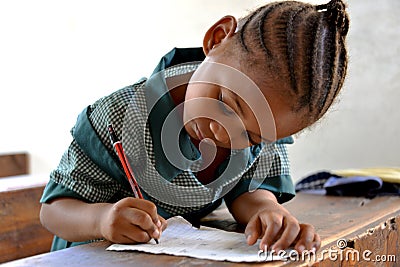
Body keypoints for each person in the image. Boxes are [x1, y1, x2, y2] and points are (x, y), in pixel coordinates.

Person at [40, 0, 349, 254]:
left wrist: (268, 214)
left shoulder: (264, 126)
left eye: (252, 136)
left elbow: (249, 192)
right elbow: (53, 211)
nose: (224, 133)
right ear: (216, 38)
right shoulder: (116, 117)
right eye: (226, 103)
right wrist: (102, 219)